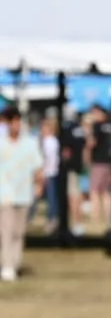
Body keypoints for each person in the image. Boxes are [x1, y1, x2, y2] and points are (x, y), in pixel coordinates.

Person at [0, 106, 43, 281]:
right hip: (4, 193)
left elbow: (38, 167)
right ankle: (7, 265)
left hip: (23, 192)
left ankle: (14, 264)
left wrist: (39, 184)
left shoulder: (30, 143)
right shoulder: (1, 143)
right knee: (6, 231)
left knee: (19, 232)